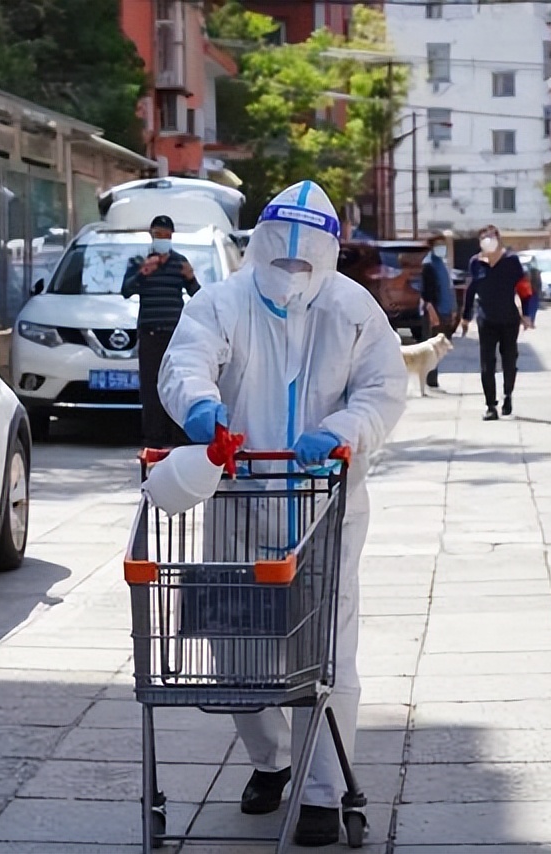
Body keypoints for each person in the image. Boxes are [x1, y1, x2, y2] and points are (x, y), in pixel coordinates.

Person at [159, 180, 406, 846]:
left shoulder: (353, 310)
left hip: (326, 505)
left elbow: (383, 390)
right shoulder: (222, 302)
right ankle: (271, 760)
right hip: (238, 500)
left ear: (327, 256)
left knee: (327, 653)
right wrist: (200, 407)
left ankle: (321, 794)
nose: (291, 272)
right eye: (279, 258)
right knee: (235, 650)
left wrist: (344, 430)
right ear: (259, 246)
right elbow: (186, 361)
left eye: (304, 261)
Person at [122, 215, 200, 447]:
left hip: (175, 335)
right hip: (150, 334)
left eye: (166, 235)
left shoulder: (180, 262)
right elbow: (126, 290)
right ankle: (153, 439)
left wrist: (190, 278)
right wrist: (143, 273)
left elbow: (198, 296)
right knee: (151, 387)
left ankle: (179, 438)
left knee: (177, 383)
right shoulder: (139, 261)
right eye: (158, 235)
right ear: (151, 235)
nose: (162, 239)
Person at [463, 224, 537, 421]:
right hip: (486, 319)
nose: (487, 240)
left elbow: (524, 289)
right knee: (487, 363)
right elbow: (471, 290)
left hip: (508, 319)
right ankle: (490, 406)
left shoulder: (511, 261)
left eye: (491, 236)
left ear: (498, 239)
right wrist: (465, 316)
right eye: (483, 237)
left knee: (509, 360)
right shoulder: (475, 263)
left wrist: (527, 314)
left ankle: (507, 395)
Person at [413, 234, 457, 388]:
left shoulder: (441, 264)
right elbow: (426, 294)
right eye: (438, 245)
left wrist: (453, 309)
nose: (442, 248)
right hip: (434, 312)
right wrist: (432, 314)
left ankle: (432, 379)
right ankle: (429, 380)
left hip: (444, 310)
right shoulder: (429, 265)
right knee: (431, 348)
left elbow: (448, 288)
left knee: (438, 349)